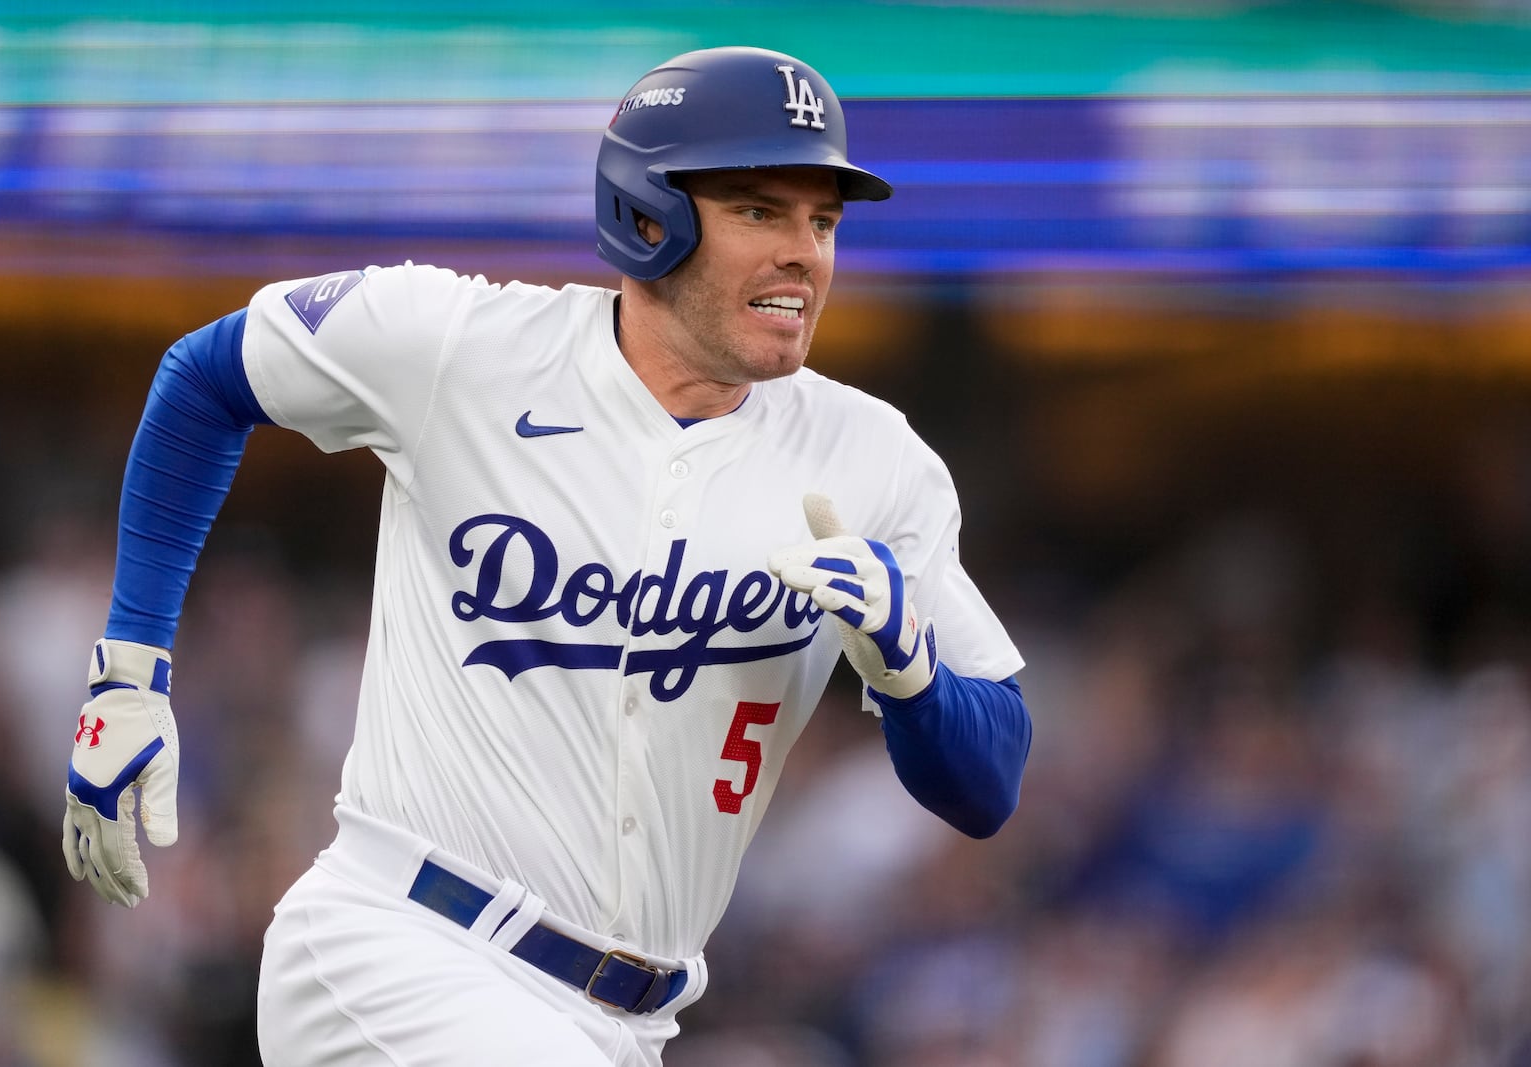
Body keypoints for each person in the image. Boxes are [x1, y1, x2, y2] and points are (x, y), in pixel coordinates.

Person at [61, 45, 1034, 1066]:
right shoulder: (460, 342)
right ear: (646, 214)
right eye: (760, 210)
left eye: (823, 220)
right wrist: (131, 663)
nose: (805, 252)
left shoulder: (870, 458)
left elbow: (991, 779)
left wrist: (910, 668)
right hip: (397, 948)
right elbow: (208, 375)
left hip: (625, 1023)